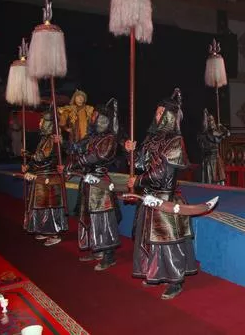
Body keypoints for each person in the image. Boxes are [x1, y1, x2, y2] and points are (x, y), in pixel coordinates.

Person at [125, 89, 197, 300]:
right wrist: (131, 153)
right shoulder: (151, 139)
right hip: (149, 196)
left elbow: (162, 172)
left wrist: (138, 181)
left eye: (160, 113)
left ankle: (175, 281)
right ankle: (156, 273)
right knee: (151, 241)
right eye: (156, 113)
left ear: (169, 116)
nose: (156, 117)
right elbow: (140, 165)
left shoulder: (175, 141)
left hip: (165, 198)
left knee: (167, 242)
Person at [65, 98, 121, 270]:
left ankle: (109, 255)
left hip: (100, 184)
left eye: (95, 115)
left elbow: (98, 156)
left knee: (103, 219)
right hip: (88, 182)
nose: (92, 117)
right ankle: (97, 249)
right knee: (90, 218)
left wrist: (78, 162)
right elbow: (76, 148)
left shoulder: (109, 138)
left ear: (103, 119)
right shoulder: (92, 137)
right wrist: (65, 142)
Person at [23, 111, 68, 246]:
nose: (39, 123)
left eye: (42, 121)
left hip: (50, 177)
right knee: (42, 205)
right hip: (42, 175)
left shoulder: (52, 139)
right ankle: (44, 230)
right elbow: (38, 158)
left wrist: (28, 155)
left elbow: (42, 157)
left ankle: (54, 233)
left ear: (48, 124)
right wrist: (29, 166)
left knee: (50, 206)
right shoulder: (44, 138)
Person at [198, 108, 230, 185]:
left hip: (216, 159)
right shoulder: (203, 134)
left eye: (212, 120)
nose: (211, 122)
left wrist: (222, 127)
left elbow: (228, 134)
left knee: (218, 180)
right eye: (209, 120)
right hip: (208, 160)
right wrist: (205, 115)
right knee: (208, 180)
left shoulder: (216, 132)